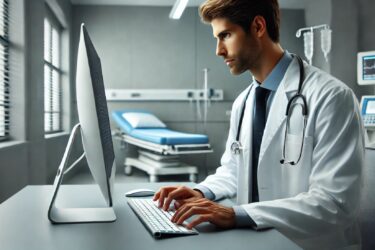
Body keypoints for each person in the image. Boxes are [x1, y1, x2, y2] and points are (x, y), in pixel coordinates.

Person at [153, 0, 364, 249]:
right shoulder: (244, 102)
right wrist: (201, 193)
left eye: (226, 35)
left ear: (258, 26)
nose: (218, 50)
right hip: (256, 241)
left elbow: (335, 203)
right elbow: (233, 170)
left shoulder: (331, 97)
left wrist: (236, 214)